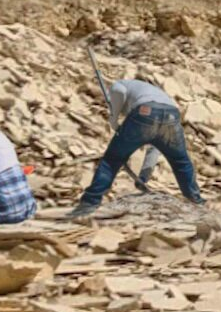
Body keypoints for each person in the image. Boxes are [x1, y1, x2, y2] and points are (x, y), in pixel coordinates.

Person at [67, 78, 204, 219]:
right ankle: (196, 201)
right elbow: (154, 147)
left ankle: (89, 204)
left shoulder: (118, 85)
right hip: (171, 114)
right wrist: (143, 178)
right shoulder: (150, 92)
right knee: (181, 161)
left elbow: (118, 92)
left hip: (145, 111)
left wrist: (113, 120)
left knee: (111, 161)